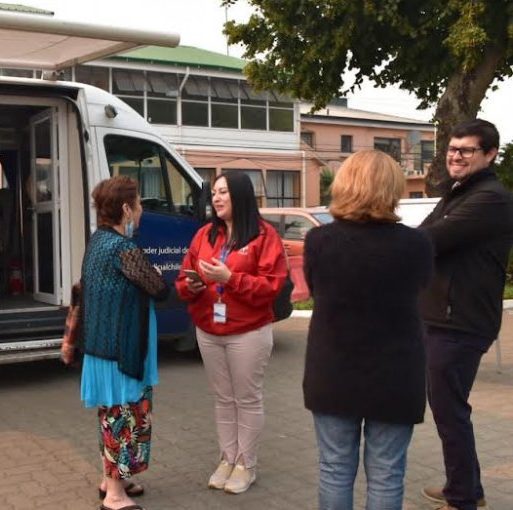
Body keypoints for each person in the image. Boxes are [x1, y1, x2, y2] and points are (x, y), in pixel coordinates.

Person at [302, 150, 434, 510]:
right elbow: (420, 286)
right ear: (393, 188)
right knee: (388, 473)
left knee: (334, 468)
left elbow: (316, 290)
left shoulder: (319, 241)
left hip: (332, 368)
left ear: (345, 183)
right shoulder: (418, 244)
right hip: (396, 371)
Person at [418, 119, 513, 510]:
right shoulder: (457, 193)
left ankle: (462, 498)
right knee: (448, 408)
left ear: (490, 154)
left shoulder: (490, 198)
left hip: (461, 321)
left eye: (466, 150)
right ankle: (466, 485)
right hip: (443, 316)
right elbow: (425, 232)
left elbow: (428, 239)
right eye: (452, 149)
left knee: (450, 410)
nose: (455, 156)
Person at [175, 172, 287, 495]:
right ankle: (227, 458)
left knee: (246, 398)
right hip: (208, 330)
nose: (216, 199)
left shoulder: (265, 236)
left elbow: (271, 287)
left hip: (248, 332)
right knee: (223, 399)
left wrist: (230, 277)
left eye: (223, 192)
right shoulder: (204, 236)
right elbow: (183, 279)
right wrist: (192, 284)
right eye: (215, 194)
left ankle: (246, 464)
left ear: (240, 195)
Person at [78, 175, 169, 510]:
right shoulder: (124, 248)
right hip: (121, 350)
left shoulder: (98, 240)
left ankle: (111, 478)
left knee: (110, 413)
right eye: (140, 204)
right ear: (127, 209)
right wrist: (156, 275)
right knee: (123, 414)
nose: (142, 210)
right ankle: (115, 496)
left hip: (101, 347)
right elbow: (160, 289)